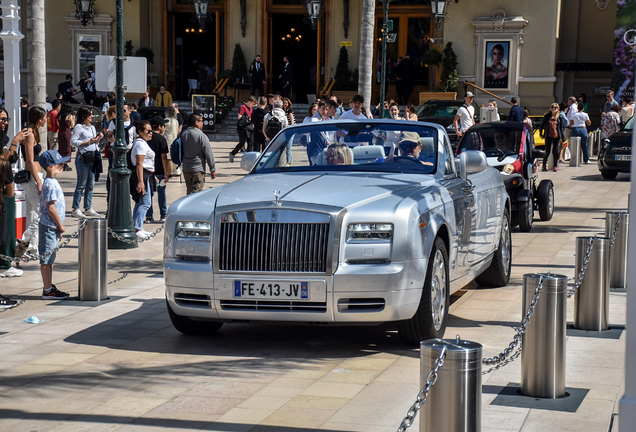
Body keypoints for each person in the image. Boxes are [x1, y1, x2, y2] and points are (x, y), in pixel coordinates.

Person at [37, 150, 71, 300]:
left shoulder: (51, 182)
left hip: (52, 227)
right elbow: (51, 207)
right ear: (50, 167)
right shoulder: (50, 184)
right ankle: (47, 289)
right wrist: (60, 225)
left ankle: (49, 287)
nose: (62, 165)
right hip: (49, 226)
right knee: (46, 259)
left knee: (50, 259)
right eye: (59, 163)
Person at [15, 107, 47, 257]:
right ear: (39, 118)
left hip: (36, 174)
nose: (46, 119)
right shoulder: (29, 134)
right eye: (44, 117)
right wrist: (39, 181)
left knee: (32, 212)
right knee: (42, 212)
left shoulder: (33, 132)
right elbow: (29, 159)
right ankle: (24, 240)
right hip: (33, 176)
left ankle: (31, 247)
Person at [0, 110, 27, 281]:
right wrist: (15, 142)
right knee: (5, 230)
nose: (4, 122)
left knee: (7, 229)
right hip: (4, 193)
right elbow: (6, 158)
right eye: (1, 119)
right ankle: (4, 265)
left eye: (5, 119)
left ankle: (6, 263)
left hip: (7, 192)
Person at [70, 106, 103, 218]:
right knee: (81, 184)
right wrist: (88, 142)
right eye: (89, 114)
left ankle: (88, 207)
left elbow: (94, 143)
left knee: (91, 184)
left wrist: (97, 139)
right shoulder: (79, 127)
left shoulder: (92, 127)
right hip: (83, 158)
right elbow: (73, 142)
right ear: (84, 115)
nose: (91, 116)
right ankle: (75, 208)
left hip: (93, 157)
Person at [130, 120, 156, 239]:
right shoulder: (140, 144)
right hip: (142, 175)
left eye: (151, 131)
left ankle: (136, 226)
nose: (151, 133)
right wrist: (141, 181)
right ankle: (137, 227)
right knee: (146, 203)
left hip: (147, 174)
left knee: (140, 202)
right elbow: (139, 164)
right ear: (140, 132)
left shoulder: (143, 143)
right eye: (148, 131)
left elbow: (147, 162)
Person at [181, 113, 216, 195]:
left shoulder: (183, 134)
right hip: (198, 169)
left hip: (186, 169)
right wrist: (212, 169)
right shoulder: (201, 135)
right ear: (196, 122)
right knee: (196, 194)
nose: (202, 123)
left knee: (189, 193)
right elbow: (208, 153)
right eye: (201, 121)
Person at [146, 117, 170, 223]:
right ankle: (163, 214)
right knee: (161, 193)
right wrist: (166, 172)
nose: (164, 128)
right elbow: (163, 157)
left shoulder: (146, 138)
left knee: (149, 193)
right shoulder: (161, 139)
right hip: (159, 170)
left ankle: (149, 215)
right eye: (163, 125)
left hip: (148, 170)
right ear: (159, 127)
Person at [539, 103, 566, 172]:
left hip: (556, 136)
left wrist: (563, 139)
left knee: (555, 151)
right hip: (548, 135)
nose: (554, 108)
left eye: (555, 107)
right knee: (547, 151)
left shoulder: (560, 117)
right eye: (552, 107)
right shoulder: (547, 116)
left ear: (558, 109)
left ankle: (555, 166)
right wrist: (541, 134)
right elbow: (541, 125)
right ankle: (544, 165)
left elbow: (561, 128)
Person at [229, 96, 257, 163]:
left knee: (250, 143)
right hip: (243, 128)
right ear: (249, 102)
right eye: (252, 104)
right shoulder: (242, 107)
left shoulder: (251, 108)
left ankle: (249, 159)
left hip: (249, 127)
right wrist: (248, 118)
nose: (253, 105)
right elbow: (239, 117)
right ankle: (233, 153)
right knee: (242, 142)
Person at [263, 99, 290, 164]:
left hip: (270, 138)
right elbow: (286, 129)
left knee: (269, 156)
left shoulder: (268, 115)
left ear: (273, 106)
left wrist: (267, 137)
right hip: (280, 140)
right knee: (281, 157)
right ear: (281, 106)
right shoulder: (284, 116)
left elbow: (263, 129)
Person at [57, 102, 74, 172]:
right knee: (67, 148)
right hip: (67, 133)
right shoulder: (70, 116)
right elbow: (72, 125)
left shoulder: (59, 115)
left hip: (60, 132)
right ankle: (66, 164)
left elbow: (58, 124)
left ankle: (61, 162)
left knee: (61, 147)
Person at [164, 106, 180, 175]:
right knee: (175, 155)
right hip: (174, 138)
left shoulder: (166, 120)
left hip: (167, 139)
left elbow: (163, 131)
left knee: (168, 157)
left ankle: (169, 172)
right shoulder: (176, 121)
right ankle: (177, 172)